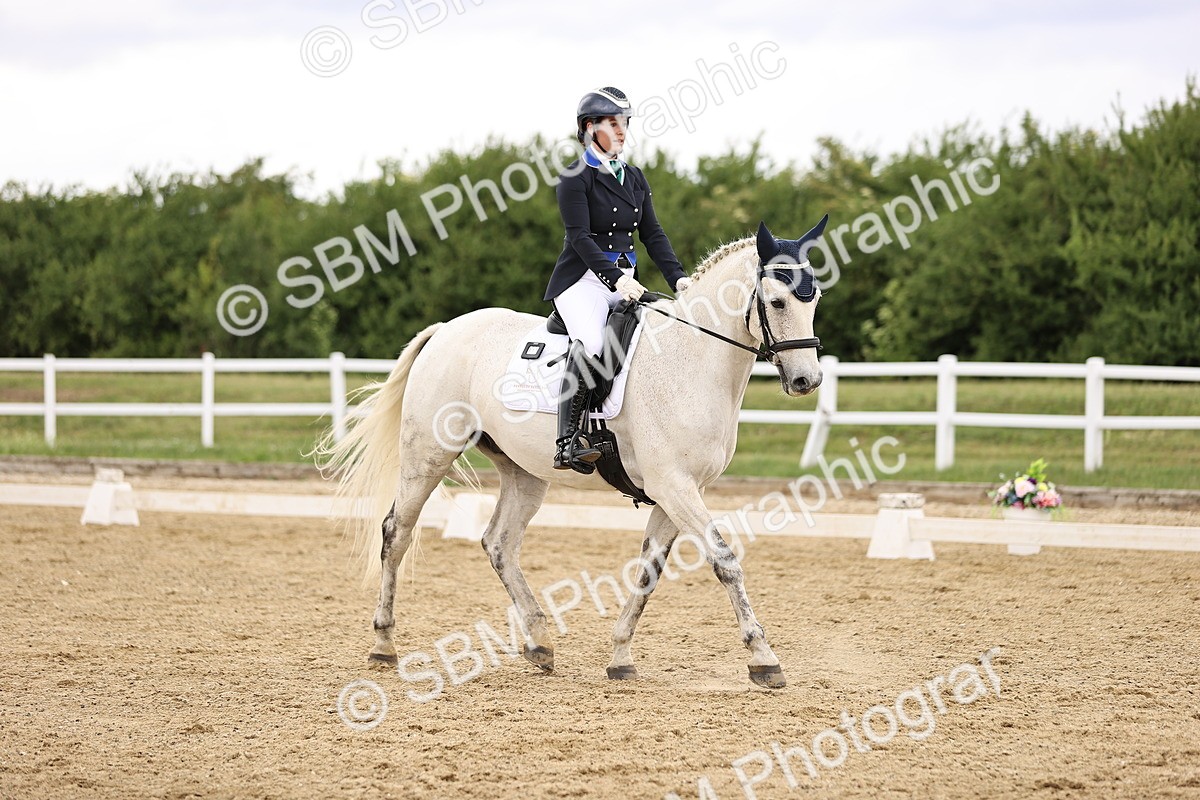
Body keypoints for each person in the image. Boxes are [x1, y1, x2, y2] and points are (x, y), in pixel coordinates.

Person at [544, 86, 693, 473]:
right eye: (613, 123)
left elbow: (653, 234)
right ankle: (568, 441)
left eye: (625, 122)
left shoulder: (635, 178)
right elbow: (579, 237)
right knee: (594, 343)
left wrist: (678, 279)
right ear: (590, 128)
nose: (623, 130)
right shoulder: (575, 177)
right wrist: (614, 279)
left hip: (626, 281)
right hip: (582, 282)